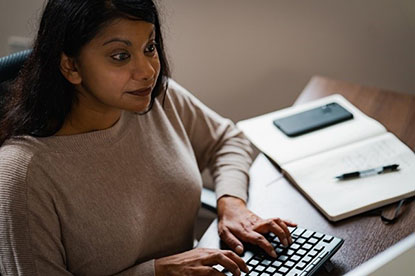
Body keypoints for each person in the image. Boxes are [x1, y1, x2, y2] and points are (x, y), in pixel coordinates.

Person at [0, 1, 296, 275]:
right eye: (120, 56)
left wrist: (232, 204)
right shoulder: (23, 175)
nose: (148, 71)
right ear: (71, 66)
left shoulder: (155, 100)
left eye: (150, 47)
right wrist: (156, 272)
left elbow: (227, 140)